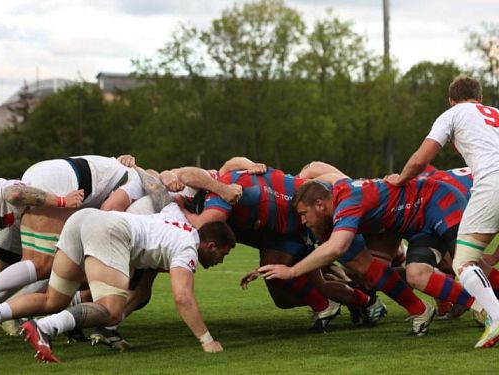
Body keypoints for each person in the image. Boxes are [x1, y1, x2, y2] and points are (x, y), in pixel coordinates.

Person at [0, 172, 236, 362]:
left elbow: (156, 187)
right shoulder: (188, 244)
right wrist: (206, 339)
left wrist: (135, 166)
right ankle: (45, 328)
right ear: (210, 245)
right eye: (222, 255)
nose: (220, 261)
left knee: (54, 299)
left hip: (84, 219)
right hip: (110, 230)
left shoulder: (176, 217)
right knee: (112, 310)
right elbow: (182, 297)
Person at [258, 169, 481, 336]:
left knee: (465, 263)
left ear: (320, 205)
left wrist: (291, 271)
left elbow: (337, 247)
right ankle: (425, 309)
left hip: (438, 202)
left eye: (304, 213)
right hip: (415, 222)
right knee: (406, 274)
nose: (303, 220)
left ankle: (486, 306)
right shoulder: (336, 200)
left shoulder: (347, 203)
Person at [180, 166, 383, 332]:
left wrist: (176, 206)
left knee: (351, 269)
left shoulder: (216, 203)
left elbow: (196, 212)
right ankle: (354, 301)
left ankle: (360, 302)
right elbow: (231, 162)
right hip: (285, 228)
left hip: (298, 224)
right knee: (284, 296)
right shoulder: (223, 181)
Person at [386, 76, 499, 347]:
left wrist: (400, 179)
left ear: (451, 100)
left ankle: (495, 316)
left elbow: (421, 159)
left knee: (464, 262)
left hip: (492, 181)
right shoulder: (495, 113)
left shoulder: (452, 114)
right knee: (478, 259)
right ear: (480, 98)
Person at [0, 155, 143, 315]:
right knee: (44, 265)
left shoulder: (125, 170)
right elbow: (109, 209)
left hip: (45, 175)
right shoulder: (138, 181)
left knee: (33, 265)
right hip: (58, 182)